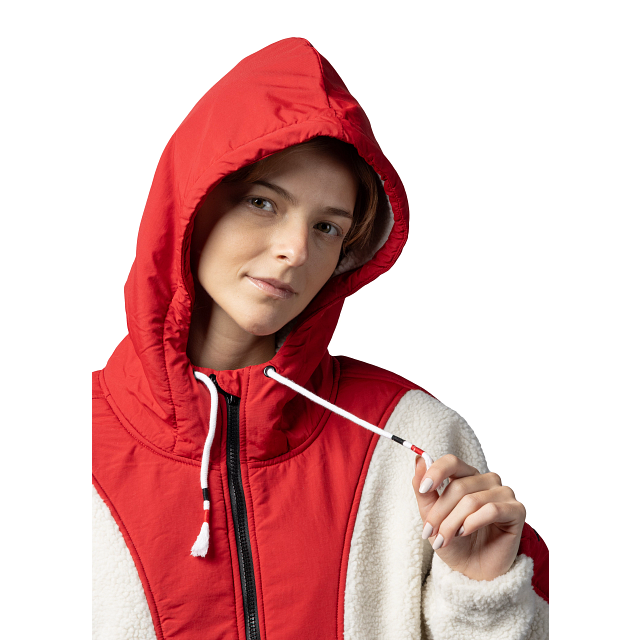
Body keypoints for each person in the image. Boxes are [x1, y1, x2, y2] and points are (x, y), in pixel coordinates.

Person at [92, 37, 549, 639]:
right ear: (190, 204)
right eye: (263, 202)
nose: (296, 250)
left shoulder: (414, 435)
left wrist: (481, 596)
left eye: (328, 227)